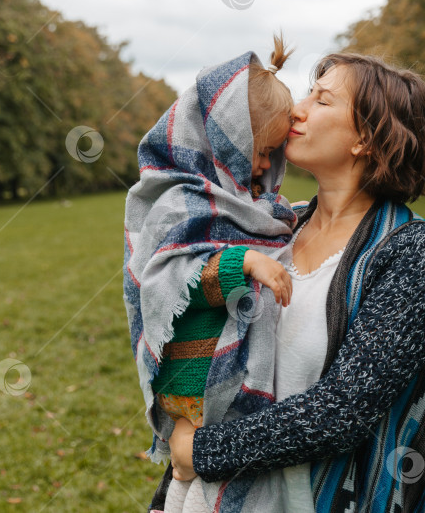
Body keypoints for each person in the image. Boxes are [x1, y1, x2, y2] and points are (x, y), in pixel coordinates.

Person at [165, 52, 425, 513]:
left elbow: (342, 412)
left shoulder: (413, 253)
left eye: (322, 100)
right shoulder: (275, 229)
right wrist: (181, 417)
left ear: (367, 138)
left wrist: (198, 451)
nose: (296, 110)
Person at [123, 35, 312, 512]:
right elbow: (169, 278)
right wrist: (242, 262)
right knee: (190, 483)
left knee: (202, 484)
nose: (268, 165)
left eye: (274, 154)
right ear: (224, 138)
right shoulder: (178, 199)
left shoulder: (248, 202)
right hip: (192, 377)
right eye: (262, 151)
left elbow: (276, 227)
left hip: (228, 392)